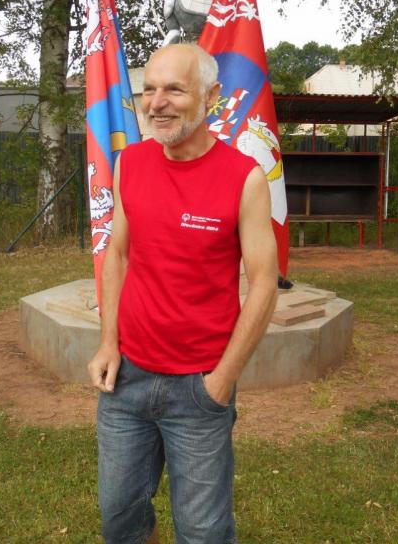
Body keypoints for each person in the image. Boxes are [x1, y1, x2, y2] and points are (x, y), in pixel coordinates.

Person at [87, 43, 278, 544]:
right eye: (149, 89)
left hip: (199, 388)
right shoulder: (131, 163)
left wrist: (222, 380)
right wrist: (108, 343)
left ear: (211, 97)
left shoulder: (244, 178)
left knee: (203, 532)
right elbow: (118, 255)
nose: (156, 103)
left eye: (174, 89)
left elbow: (264, 283)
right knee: (120, 519)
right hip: (126, 380)